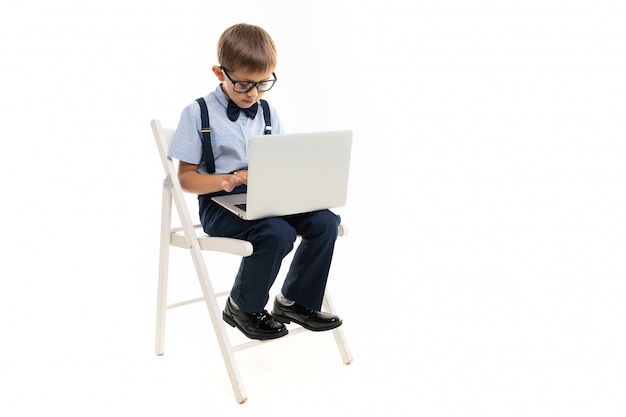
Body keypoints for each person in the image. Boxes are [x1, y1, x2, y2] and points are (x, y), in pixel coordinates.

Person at [168, 23, 343, 341]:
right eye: (244, 85)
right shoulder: (198, 114)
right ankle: (242, 307)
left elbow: (282, 161)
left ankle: (294, 301)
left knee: (326, 221)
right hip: (220, 203)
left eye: (263, 85)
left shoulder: (267, 112)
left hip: (270, 197)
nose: (254, 94)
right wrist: (227, 181)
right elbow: (186, 179)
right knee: (277, 232)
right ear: (220, 73)